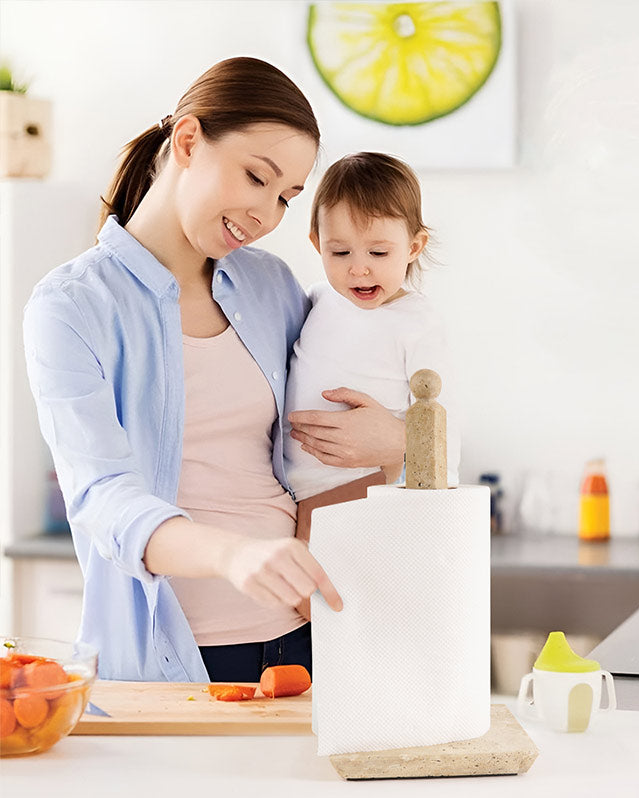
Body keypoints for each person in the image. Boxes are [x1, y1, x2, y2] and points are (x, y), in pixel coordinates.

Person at [22, 58, 404, 683]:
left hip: (308, 637)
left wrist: (399, 443)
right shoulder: (73, 305)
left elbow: (322, 445)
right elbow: (101, 497)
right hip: (174, 656)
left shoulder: (271, 286)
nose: (266, 215)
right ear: (189, 141)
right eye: (257, 177)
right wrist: (234, 555)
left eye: (285, 198)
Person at [285, 152, 460, 548]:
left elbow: (445, 430)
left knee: (350, 602)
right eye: (340, 252)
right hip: (292, 491)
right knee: (308, 604)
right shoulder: (315, 301)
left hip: (362, 488)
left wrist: (438, 505)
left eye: (378, 253)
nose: (358, 268)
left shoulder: (417, 322)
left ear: (414, 247)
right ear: (316, 243)